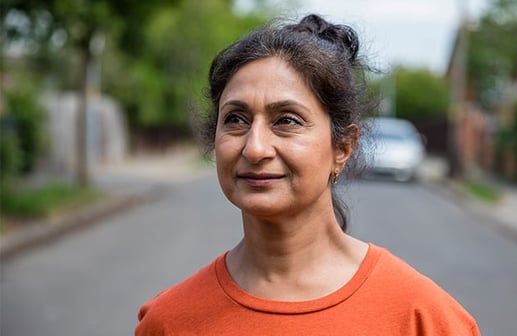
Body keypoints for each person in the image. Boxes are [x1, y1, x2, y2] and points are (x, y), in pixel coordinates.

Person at [135, 14, 480, 335]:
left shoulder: (422, 318)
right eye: (236, 119)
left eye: (286, 120)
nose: (255, 148)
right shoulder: (170, 321)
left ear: (342, 147)